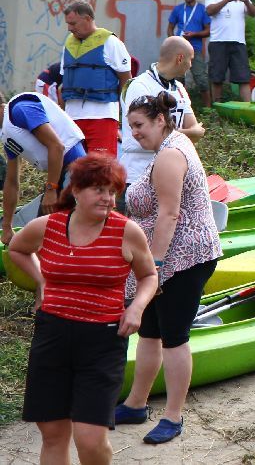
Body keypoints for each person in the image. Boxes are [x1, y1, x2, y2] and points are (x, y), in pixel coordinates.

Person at [6, 153, 157, 465]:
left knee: (89, 438)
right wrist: (42, 281)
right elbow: (17, 249)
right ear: (75, 190)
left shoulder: (126, 231)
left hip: (102, 340)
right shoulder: (48, 226)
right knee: (52, 432)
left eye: (112, 191)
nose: (107, 198)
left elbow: (149, 275)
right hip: (53, 333)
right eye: (99, 189)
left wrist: (137, 308)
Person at [116, 92, 223, 444]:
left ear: (160, 120)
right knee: (149, 331)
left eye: (139, 125)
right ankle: (135, 404)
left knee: (174, 337)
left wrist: (155, 267)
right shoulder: (167, 148)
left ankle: (174, 416)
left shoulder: (171, 154)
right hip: (166, 258)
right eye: (130, 126)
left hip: (184, 259)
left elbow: (169, 213)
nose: (134, 132)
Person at [119, 37, 205, 208]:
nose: (190, 65)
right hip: (138, 174)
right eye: (190, 59)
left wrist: (174, 134)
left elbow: (195, 129)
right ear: (180, 58)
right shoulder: (140, 86)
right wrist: (185, 135)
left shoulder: (179, 89)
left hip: (169, 172)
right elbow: (146, 135)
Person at [1, 92, 87, 242]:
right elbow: (12, 182)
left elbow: (57, 146)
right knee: (40, 235)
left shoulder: (21, 109)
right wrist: (7, 226)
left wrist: (51, 189)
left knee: (66, 231)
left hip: (76, 170)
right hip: (59, 175)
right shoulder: (7, 134)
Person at [59, 0, 132, 156]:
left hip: (102, 117)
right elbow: (63, 85)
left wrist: (125, 120)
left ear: (87, 19)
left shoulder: (111, 43)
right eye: (68, 24)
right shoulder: (68, 45)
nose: (69, 28)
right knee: (74, 170)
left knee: (101, 170)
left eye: (73, 23)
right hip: (72, 119)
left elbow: (126, 82)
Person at [205, 0, 255, 103]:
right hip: (218, 42)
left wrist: (246, 1)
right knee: (217, 78)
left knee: (243, 78)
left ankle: (248, 110)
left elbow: (253, 13)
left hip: (238, 42)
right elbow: (210, 11)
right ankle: (216, 111)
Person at [166, 0, 211, 107]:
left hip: (194, 49)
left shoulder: (202, 9)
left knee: (201, 79)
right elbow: (170, 28)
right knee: (178, 80)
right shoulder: (178, 9)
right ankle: (178, 106)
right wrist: (173, 41)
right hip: (179, 49)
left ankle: (208, 108)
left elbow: (208, 31)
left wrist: (194, 34)